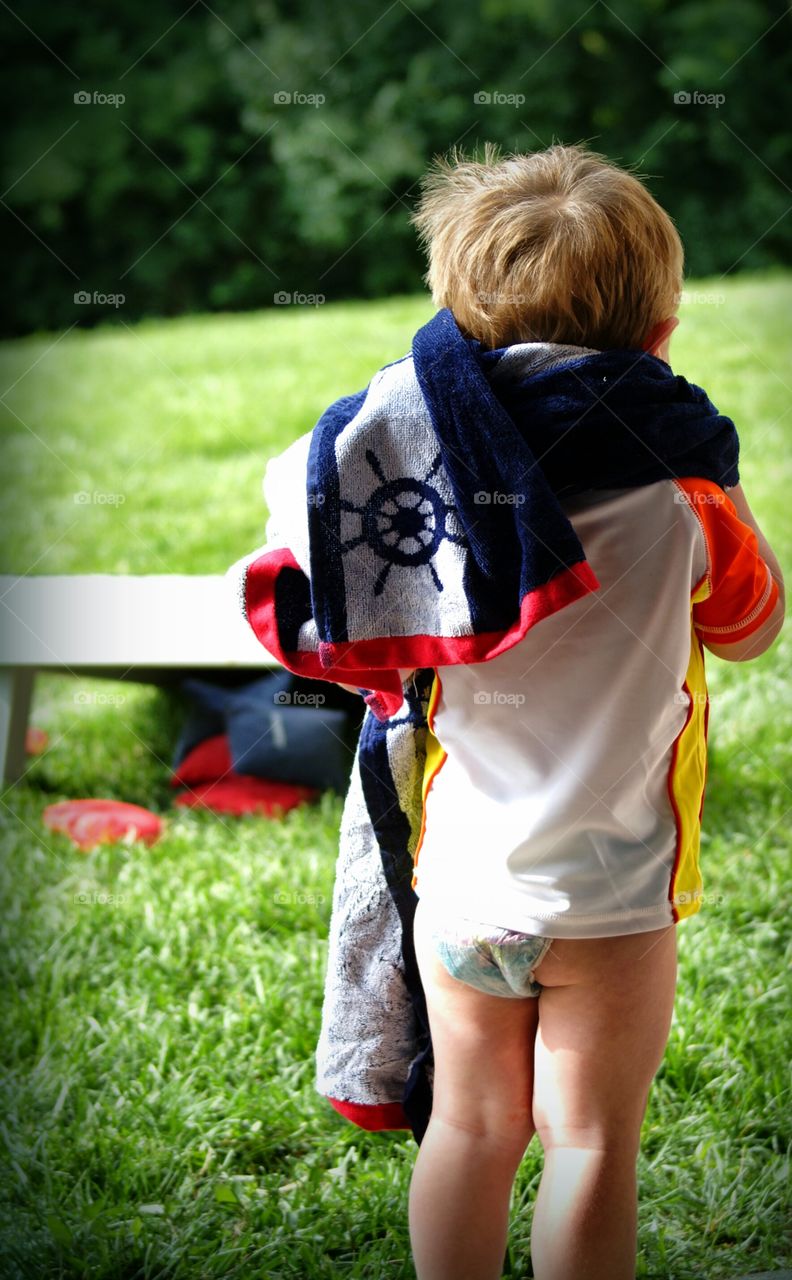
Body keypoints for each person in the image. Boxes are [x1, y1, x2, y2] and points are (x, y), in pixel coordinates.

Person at [337, 145, 785, 1279]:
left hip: (465, 885)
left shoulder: (428, 488)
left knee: (473, 1125)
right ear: (663, 332)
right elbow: (753, 622)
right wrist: (720, 491)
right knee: (588, 1138)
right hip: (613, 897)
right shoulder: (685, 495)